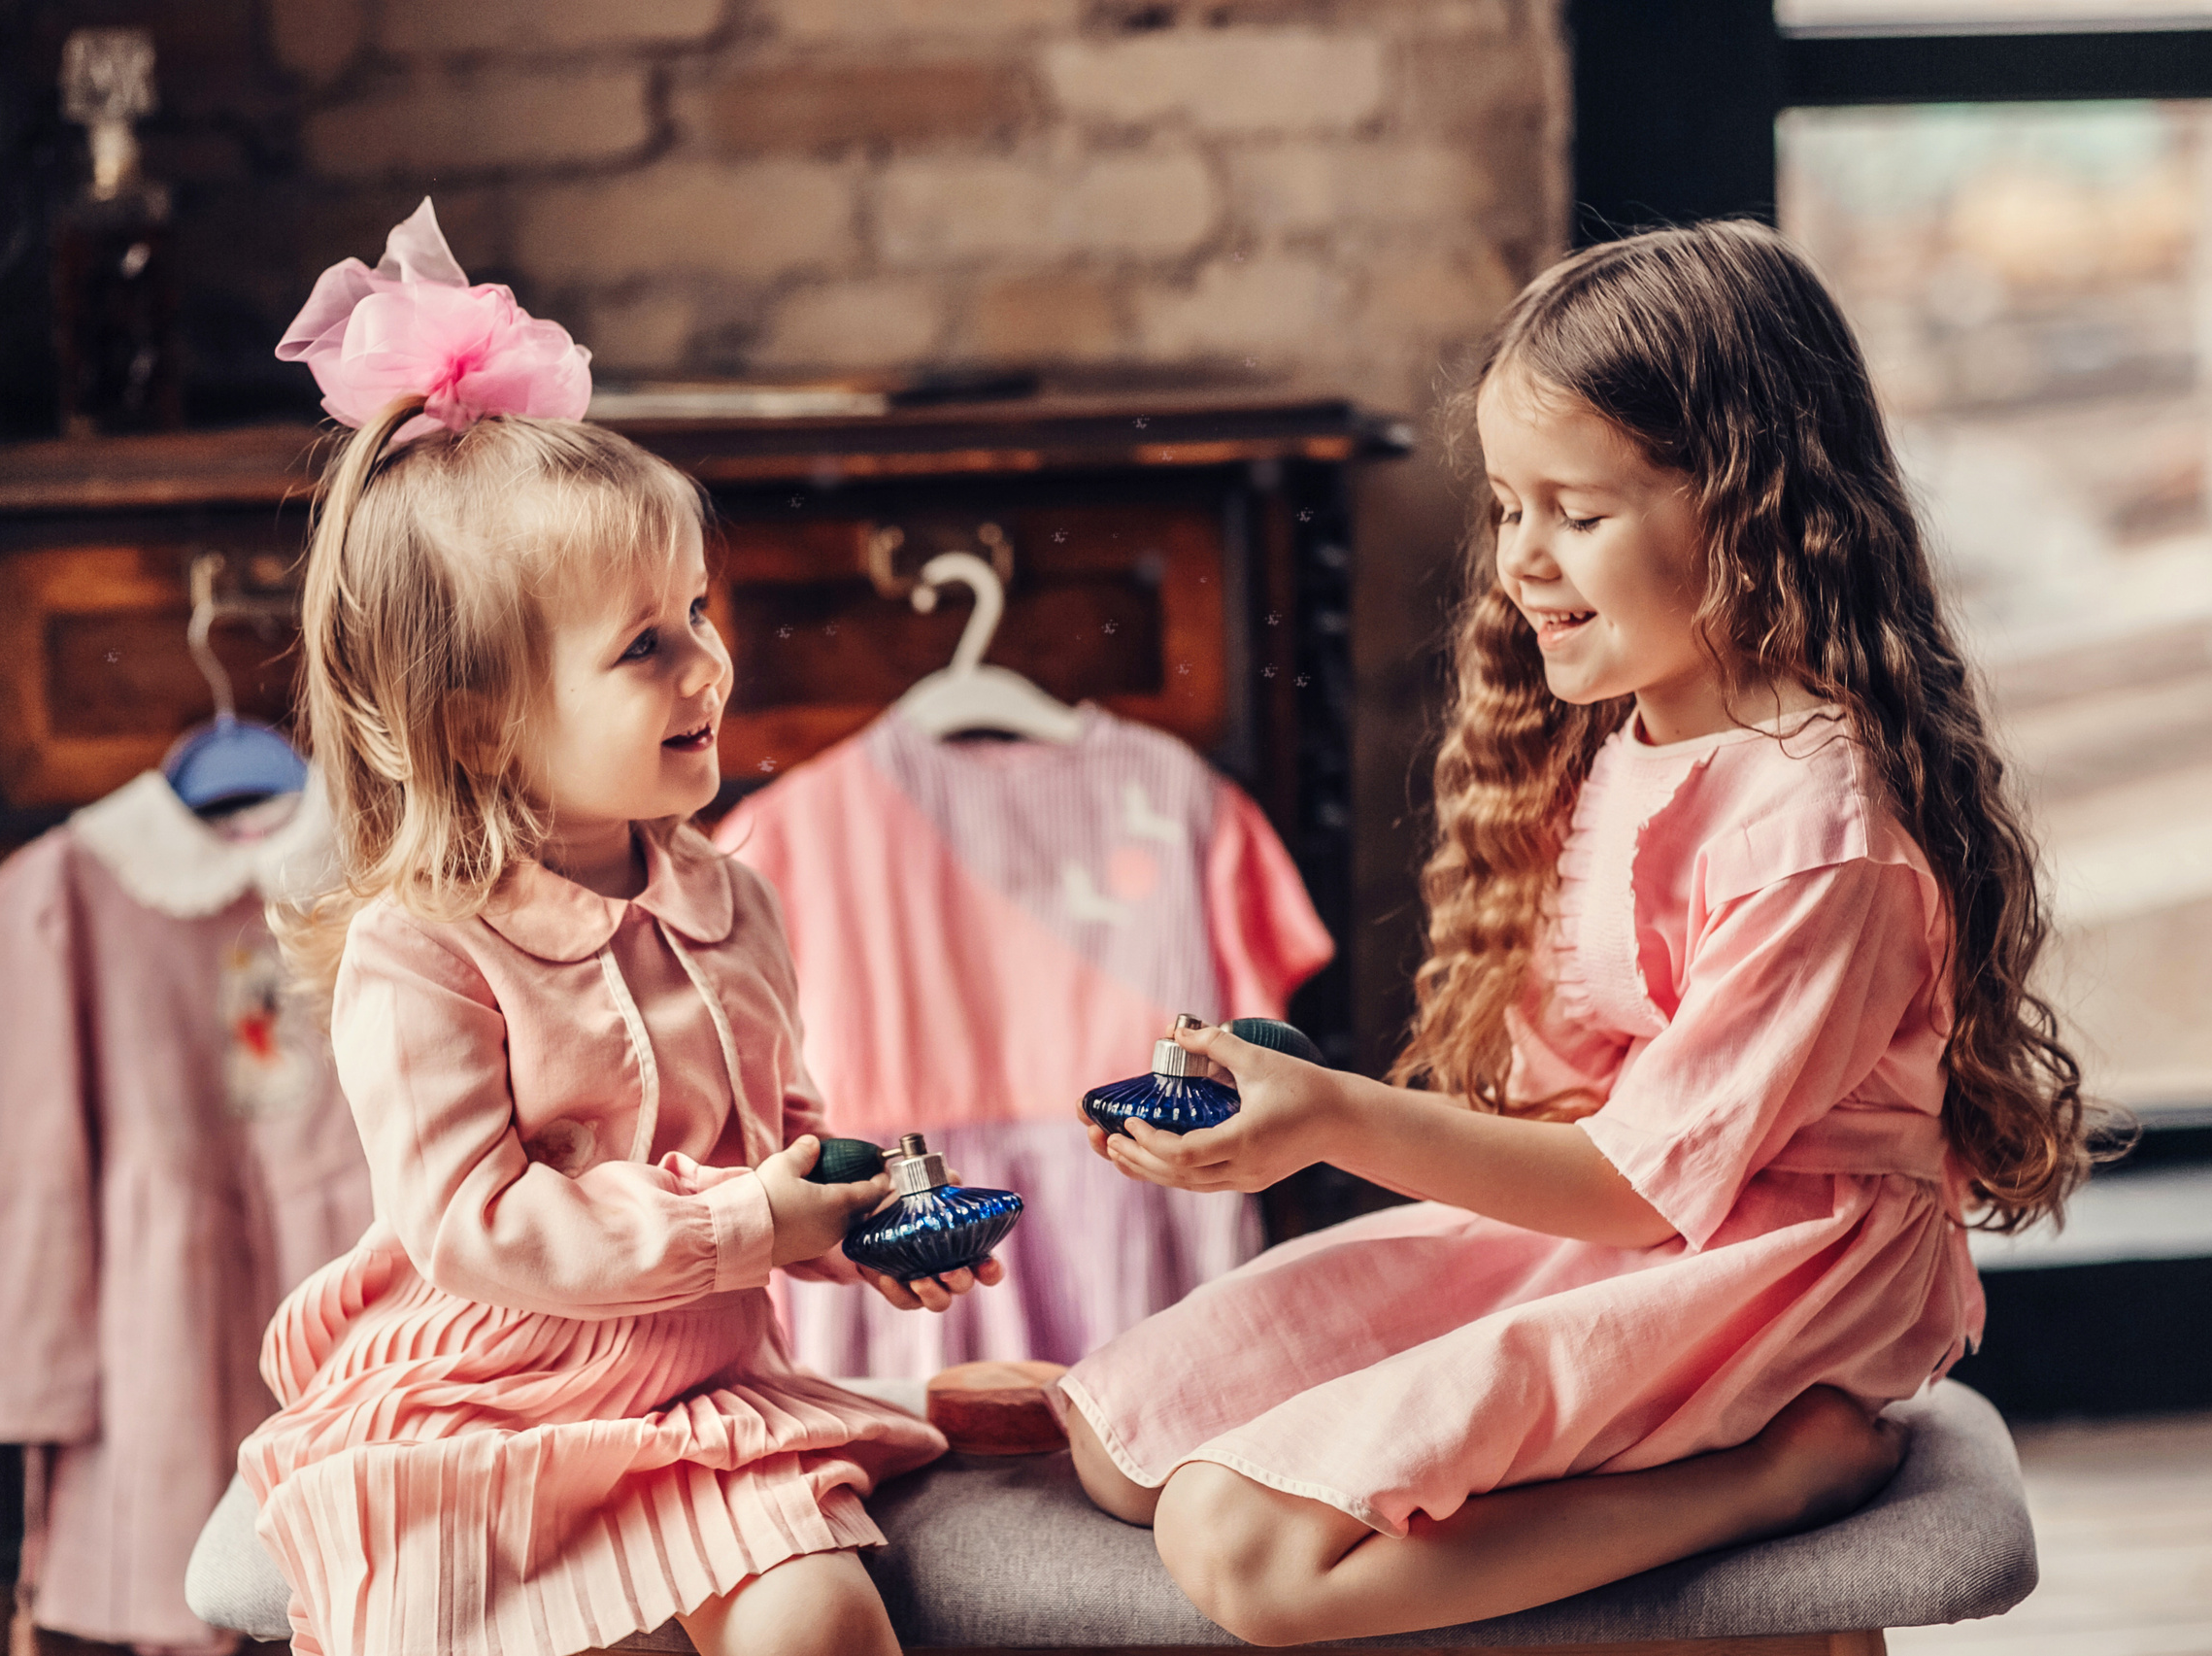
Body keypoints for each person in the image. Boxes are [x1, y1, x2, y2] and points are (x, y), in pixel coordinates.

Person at [1058, 220, 2093, 1645]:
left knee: (1245, 1553)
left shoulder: (1820, 840)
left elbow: (1639, 1188)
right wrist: (1278, 1087)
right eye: (1508, 506)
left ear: (1755, 511)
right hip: (1640, 1219)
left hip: (1773, 1267)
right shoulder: (1639, 735)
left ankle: (1768, 1477)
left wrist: (1333, 1122)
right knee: (1126, 1445)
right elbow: (1577, 1112)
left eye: (1580, 513)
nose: (1524, 563)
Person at [235, 201, 996, 1656]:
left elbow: (777, 1135)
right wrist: (735, 1224)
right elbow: (476, 1223)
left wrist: (860, 1219)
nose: (706, 661)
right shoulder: (428, 952)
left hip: (700, 1397)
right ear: (479, 720)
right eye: (644, 645)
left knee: (821, 1622)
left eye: (698, 611)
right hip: (488, 1401)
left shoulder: (733, 897)